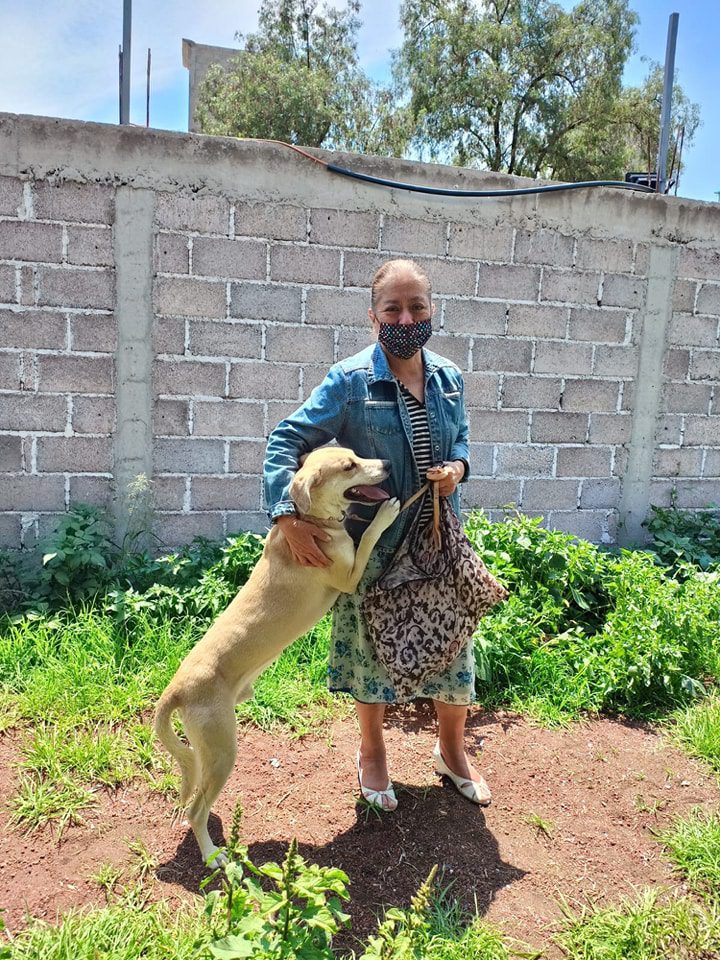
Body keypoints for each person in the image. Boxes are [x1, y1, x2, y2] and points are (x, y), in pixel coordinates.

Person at [263, 258, 491, 809]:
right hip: (371, 547)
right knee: (371, 657)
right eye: (393, 307)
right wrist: (287, 516)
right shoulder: (349, 382)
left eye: (416, 306)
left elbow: (459, 442)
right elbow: (284, 440)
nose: (405, 316)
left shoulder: (449, 379)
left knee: (456, 649)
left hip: (439, 542)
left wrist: (457, 469)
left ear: (431, 311)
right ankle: (372, 754)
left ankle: (452, 752)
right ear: (374, 316)